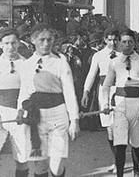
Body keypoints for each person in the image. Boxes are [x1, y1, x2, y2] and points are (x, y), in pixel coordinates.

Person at [19, 24, 80, 177]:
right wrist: (20, 111)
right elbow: (24, 92)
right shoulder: (26, 65)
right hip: (36, 117)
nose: (46, 43)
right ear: (33, 40)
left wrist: (74, 120)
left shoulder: (61, 62)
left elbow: (69, 92)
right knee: (40, 165)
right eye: (42, 40)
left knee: (57, 164)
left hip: (58, 116)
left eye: (49, 40)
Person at [101, 29, 139, 177]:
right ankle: (120, 175)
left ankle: (136, 170)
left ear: (135, 43)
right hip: (120, 106)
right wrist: (105, 104)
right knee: (120, 142)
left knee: (136, 141)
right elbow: (106, 86)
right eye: (124, 42)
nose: (127, 44)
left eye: (130, 41)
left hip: (137, 105)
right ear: (120, 43)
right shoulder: (114, 63)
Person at [81, 28, 119, 171]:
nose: (113, 42)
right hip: (104, 91)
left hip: (120, 91)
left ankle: (119, 160)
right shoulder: (98, 55)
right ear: (105, 40)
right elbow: (91, 74)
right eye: (109, 39)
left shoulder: (124, 54)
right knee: (109, 128)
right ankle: (116, 159)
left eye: (115, 39)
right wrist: (86, 91)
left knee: (119, 127)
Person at [0, 28, 30, 177]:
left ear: (18, 44)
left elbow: (27, 91)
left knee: (22, 157)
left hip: (19, 114)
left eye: (13, 43)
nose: (10, 47)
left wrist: (21, 111)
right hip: (1, 112)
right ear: (1, 45)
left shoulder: (26, 64)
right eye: (6, 43)